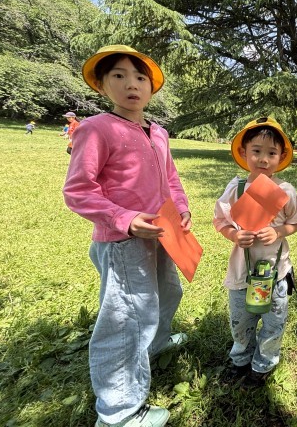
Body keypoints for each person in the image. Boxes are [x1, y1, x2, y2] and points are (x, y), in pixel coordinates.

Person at [63, 45, 191, 427]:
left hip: (163, 233)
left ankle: (156, 344)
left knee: (167, 293)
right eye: (118, 76)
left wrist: (181, 207)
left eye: (139, 77)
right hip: (123, 242)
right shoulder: (97, 128)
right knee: (126, 320)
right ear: (102, 85)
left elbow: (170, 179)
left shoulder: (159, 132)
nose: (131, 84)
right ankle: (118, 413)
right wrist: (126, 219)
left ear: (151, 88)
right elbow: (78, 190)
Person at [213, 117, 297, 386]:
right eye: (256, 151)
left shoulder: (285, 191)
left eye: (271, 153)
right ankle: (241, 359)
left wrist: (279, 231)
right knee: (240, 322)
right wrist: (234, 235)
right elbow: (220, 221)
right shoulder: (236, 189)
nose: (263, 159)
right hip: (242, 273)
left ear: (281, 156)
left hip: (275, 275)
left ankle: (263, 364)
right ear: (244, 152)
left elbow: (296, 222)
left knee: (274, 323)